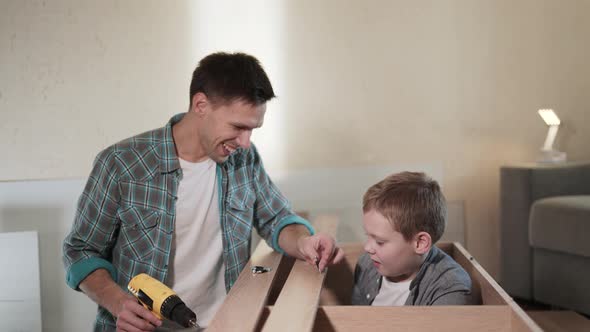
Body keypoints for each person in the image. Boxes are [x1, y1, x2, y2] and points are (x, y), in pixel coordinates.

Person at [63, 52, 343, 331]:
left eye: (253, 129)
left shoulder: (244, 158)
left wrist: (304, 241)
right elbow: (80, 251)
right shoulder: (122, 164)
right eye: (238, 127)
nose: (246, 142)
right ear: (200, 105)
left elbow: (276, 219)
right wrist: (117, 302)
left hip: (223, 324)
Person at [352, 171, 473, 306]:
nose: (367, 248)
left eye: (380, 242)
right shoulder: (366, 265)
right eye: (367, 235)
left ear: (420, 243)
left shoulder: (449, 288)